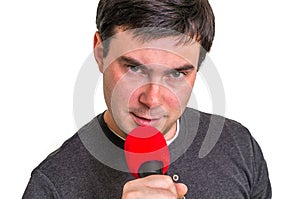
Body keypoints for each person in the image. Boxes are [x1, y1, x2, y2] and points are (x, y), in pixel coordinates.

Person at [23, 0, 272, 198]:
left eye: (176, 73)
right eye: (134, 69)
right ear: (100, 53)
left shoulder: (239, 147)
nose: (152, 100)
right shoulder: (52, 186)